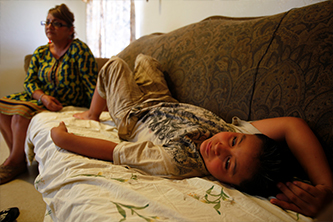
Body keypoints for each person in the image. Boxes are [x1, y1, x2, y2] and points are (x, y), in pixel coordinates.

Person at [51, 54, 333, 217]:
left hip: (133, 115)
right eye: (233, 143)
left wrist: (64, 139)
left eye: (227, 164)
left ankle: (91, 113)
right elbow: (293, 125)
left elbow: (112, 152)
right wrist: (325, 185)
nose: (219, 148)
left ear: (229, 182)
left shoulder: (178, 162)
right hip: (163, 99)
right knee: (145, 59)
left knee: (114, 66)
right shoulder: (236, 133)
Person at [0, 4, 98, 184]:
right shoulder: (40, 52)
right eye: (47, 22)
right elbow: (29, 81)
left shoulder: (79, 50)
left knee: (19, 116)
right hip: (40, 98)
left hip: (66, 102)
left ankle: (14, 161)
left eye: (57, 23)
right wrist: (42, 97)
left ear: (70, 29)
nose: (49, 26)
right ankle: (18, 156)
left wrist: (95, 112)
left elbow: (92, 84)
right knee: (3, 108)